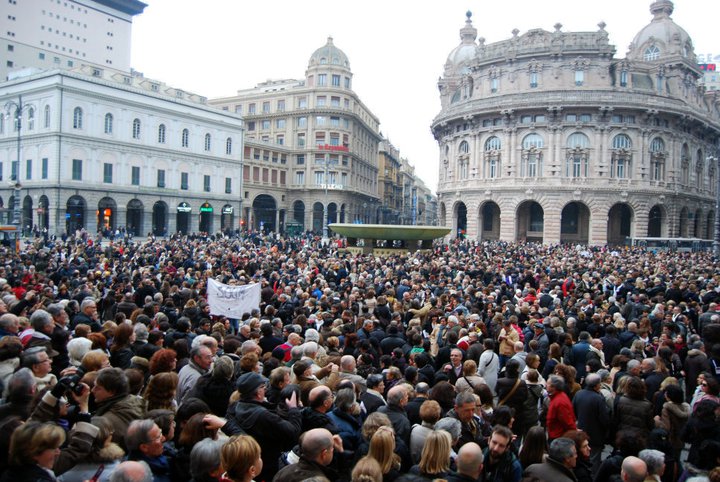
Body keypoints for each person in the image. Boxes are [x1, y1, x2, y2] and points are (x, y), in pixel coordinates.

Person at [223, 371, 301, 481]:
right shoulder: (264, 416)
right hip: (265, 466)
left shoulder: (235, 407)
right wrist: (294, 409)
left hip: (250, 463)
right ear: (258, 392)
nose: (266, 390)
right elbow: (293, 432)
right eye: (263, 387)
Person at [92, 367, 146, 449]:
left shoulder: (105, 422)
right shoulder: (139, 402)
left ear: (111, 392)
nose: (93, 390)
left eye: (98, 388)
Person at [1, 421, 66, 482]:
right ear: (34, 452)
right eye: (53, 448)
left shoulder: (9, 474)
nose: (58, 452)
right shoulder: (39, 478)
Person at [273, 428, 343, 482]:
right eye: (332, 449)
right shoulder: (320, 479)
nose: (333, 451)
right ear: (324, 454)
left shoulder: (283, 471)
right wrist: (341, 452)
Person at [572, 373, 609, 471]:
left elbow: (573, 411)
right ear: (597, 385)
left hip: (581, 431)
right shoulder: (598, 398)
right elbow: (604, 419)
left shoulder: (578, 394)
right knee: (594, 460)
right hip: (596, 435)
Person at [546, 374, 576, 441]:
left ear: (553, 386)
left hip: (559, 437)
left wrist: (574, 432)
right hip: (557, 435)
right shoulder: (558, 397)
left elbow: (568, 421)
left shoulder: (560, 402)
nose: (545, 385)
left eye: (548, 383)